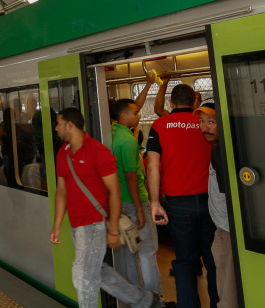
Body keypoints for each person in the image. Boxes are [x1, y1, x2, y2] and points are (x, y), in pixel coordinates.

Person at [50, 107, 163, 308]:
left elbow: (115, 191)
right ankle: (146, 300)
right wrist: (57, 224)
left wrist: (112, 230)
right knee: (97, 270)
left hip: (95, 223)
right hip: (77, 225)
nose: (56, 128)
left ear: (70, 125)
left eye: (59, 124)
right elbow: (61, 191)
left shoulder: (97, 151)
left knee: (84, 275)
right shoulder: (63, 153)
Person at [147, 84, 217, 308]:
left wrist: (155, 203)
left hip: (178, 205)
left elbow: (152, 166)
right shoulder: (206, 123)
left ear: (171, 103)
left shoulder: (159, 125)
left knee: (185, 263)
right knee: (214, 262)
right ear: (195, 103)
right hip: (211, 203)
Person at [110, 99, 169, 305]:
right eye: (135, 113)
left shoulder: (113, 134)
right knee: (147, 252)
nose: (139, 116)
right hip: (135, 202)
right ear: (124, 116)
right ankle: (155, 298)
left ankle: (138, 299)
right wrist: (140, 209)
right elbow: (131, 176)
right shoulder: (127, 141)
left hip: (119, 203)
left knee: (130, 254)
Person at [197, 103, 237, 308]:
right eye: (202, 122)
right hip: (229, 226)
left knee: (226, 282)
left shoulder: (220, 151)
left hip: (227, 228)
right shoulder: (230, 145)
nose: (205, 128)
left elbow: (228, 194)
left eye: (211, 122)